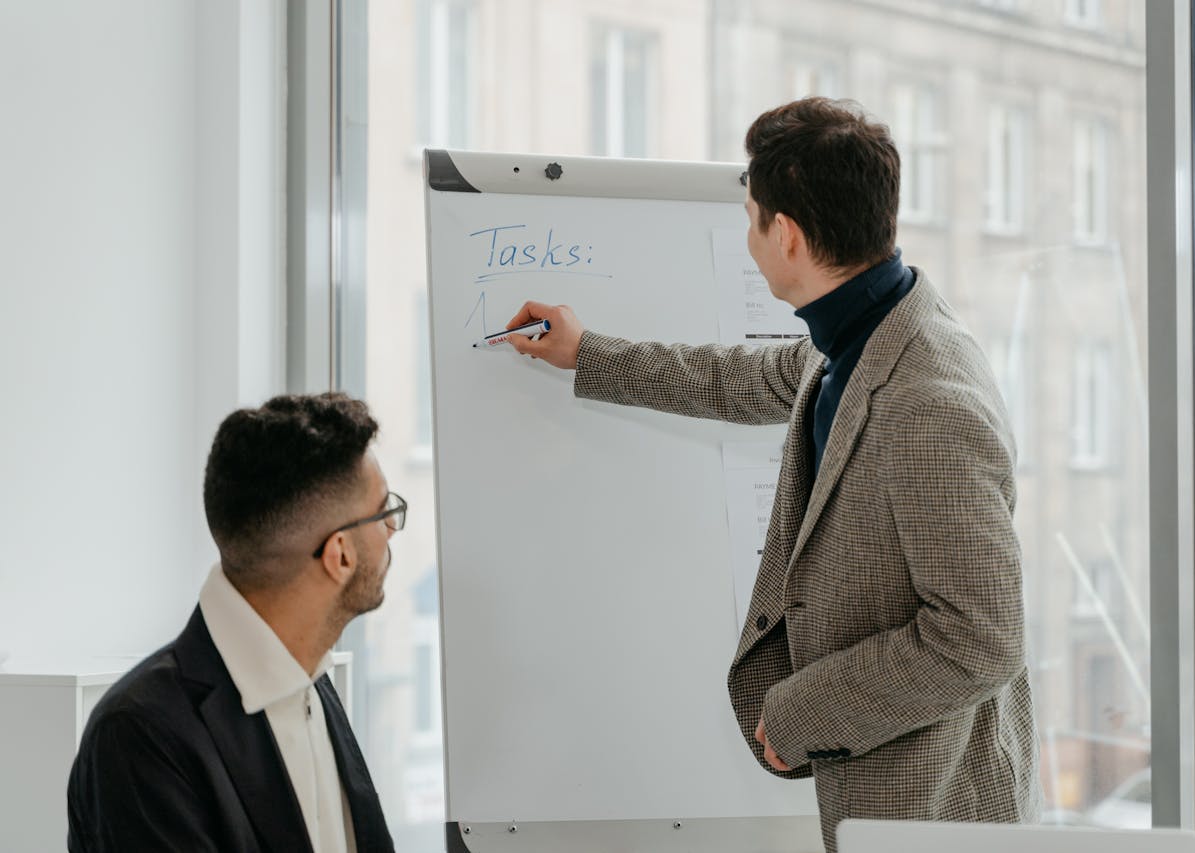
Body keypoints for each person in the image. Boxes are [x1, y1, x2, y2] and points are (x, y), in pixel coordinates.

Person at [503, 97, 1041, 851]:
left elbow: (980, 638)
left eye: (751, 215)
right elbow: (739, 379)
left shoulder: (926, 401)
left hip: (933, 814)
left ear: (784, 235)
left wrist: (803, 712)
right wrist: (588, 352)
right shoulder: (859, 336)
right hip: (890, 800)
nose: (749, 234)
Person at [67, 393, 401, 852]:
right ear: (339, 554)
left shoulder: (313, 683)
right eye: (385, 512)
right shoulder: (138, 735)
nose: (392, 530)